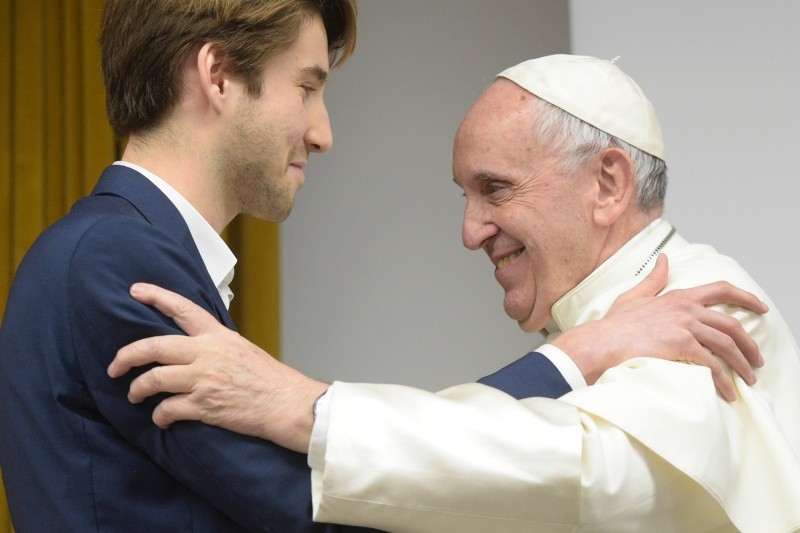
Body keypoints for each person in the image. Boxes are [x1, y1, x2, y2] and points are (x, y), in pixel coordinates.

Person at [109, 55, 800, 532]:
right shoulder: (608, 319)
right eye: (465, 196)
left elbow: (581, 471)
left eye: (495, 188)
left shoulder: (703, 303)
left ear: (608, 184)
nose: (470, 232)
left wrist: (303, 407)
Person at [0, 1, 363, 530]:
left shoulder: (108, 248)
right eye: (306, 88)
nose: (322, 135)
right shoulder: (116, 258)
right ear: (218, 75)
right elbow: (304, 509)